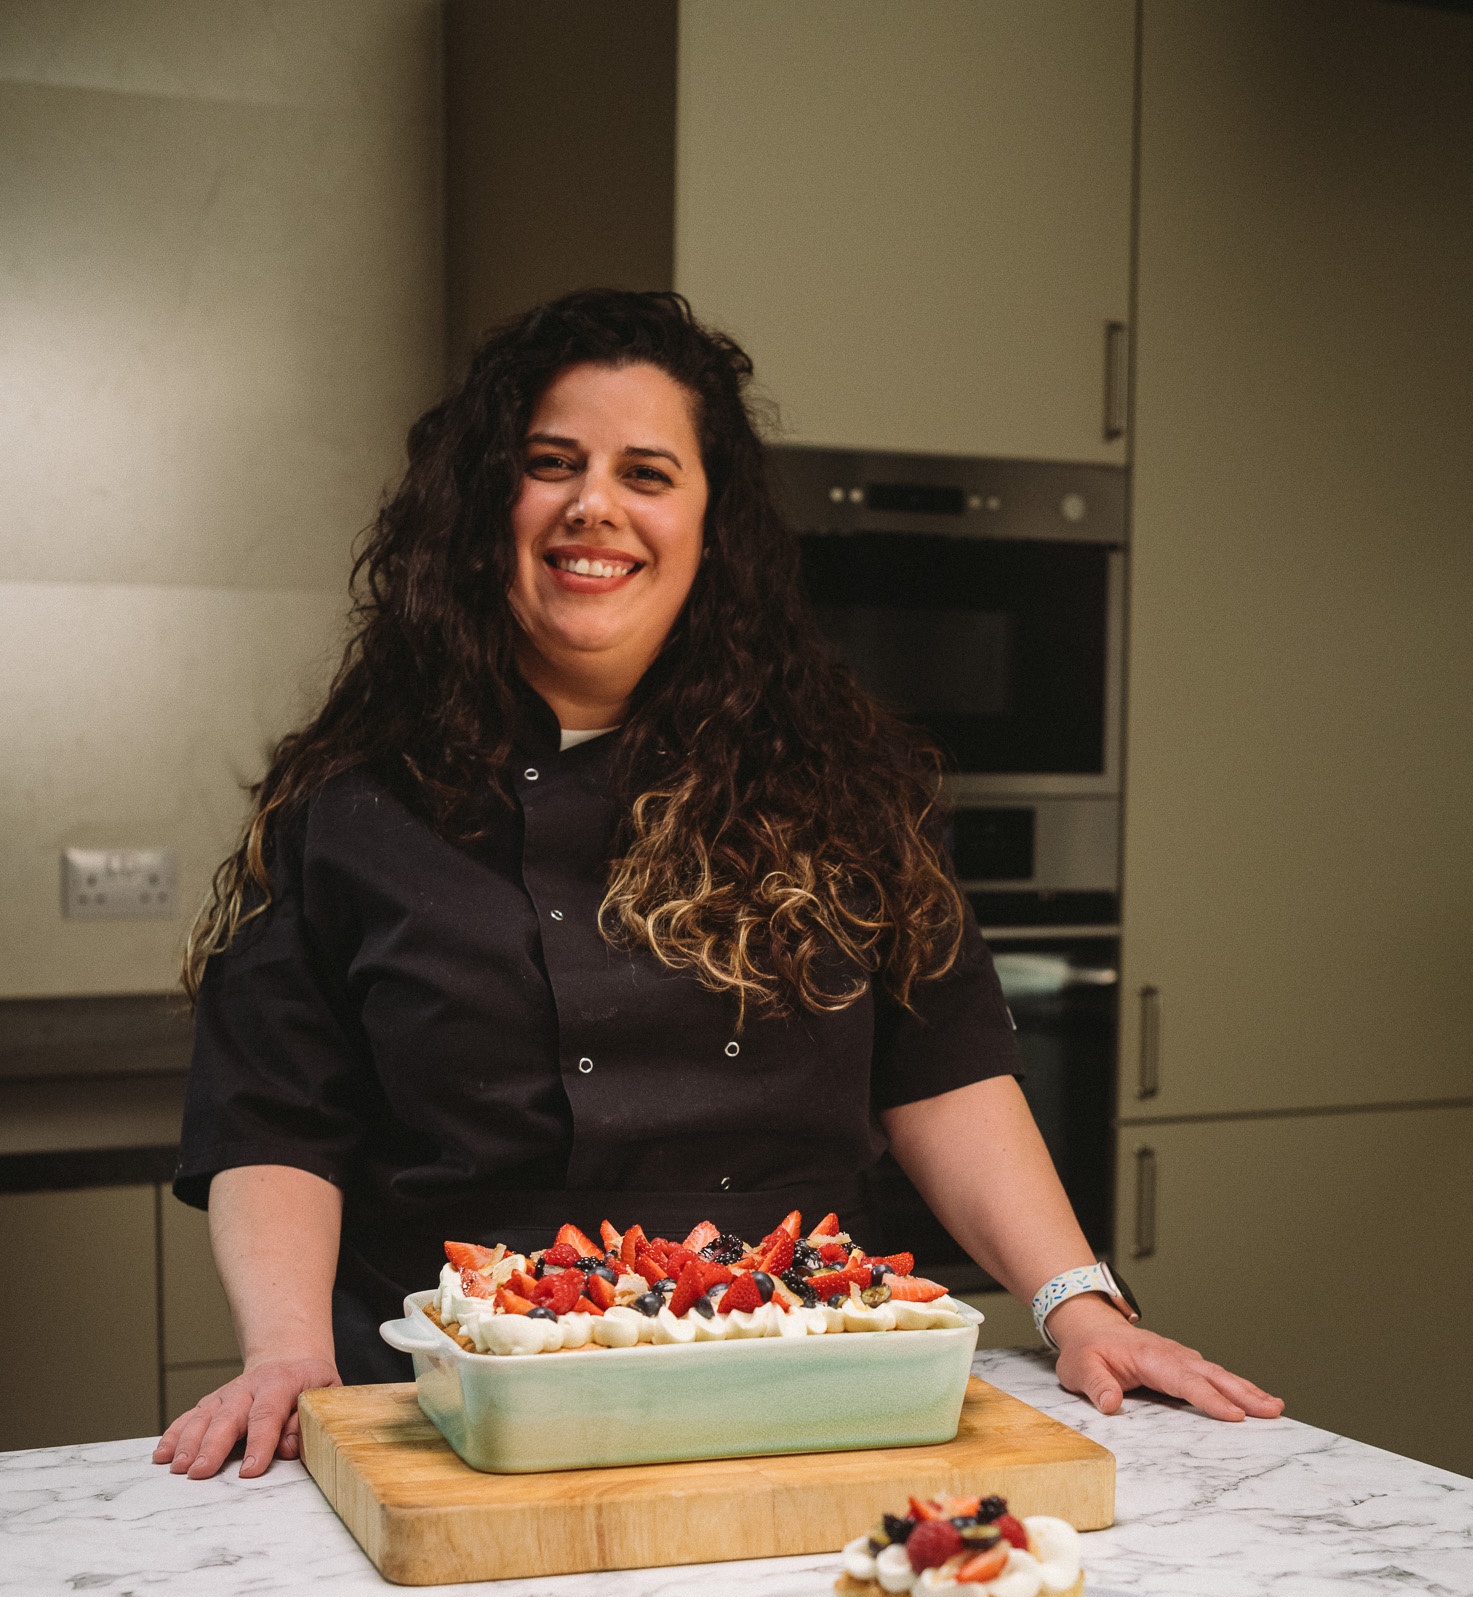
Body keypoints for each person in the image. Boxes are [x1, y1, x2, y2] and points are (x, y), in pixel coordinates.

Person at [154, 289, 1281, 1483]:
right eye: (551, 463)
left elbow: (945, 1071)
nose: (595, 504)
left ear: (710, 525)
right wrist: (286, 1352)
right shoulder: (352, 803)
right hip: (459, 1407)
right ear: (484, 507)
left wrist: (1079, 1305)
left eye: (647, 472)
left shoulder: (844, 786)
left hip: (809, 1384)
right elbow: (279, 1117)